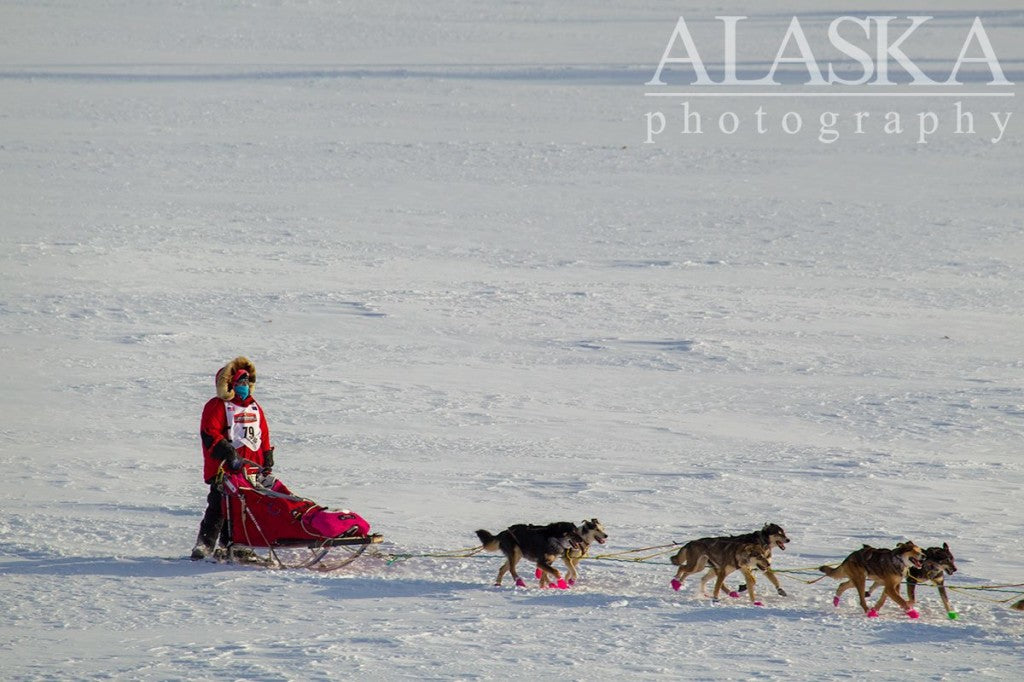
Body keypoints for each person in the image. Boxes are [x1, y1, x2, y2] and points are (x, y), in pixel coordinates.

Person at [191, 356, 275, 559]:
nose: (244, 387)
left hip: (249, 468)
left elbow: (262, 434)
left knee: (243, 509)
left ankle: (234, 543)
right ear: (229, 385)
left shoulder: (254, 407)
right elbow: (210, 433)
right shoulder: (217, 405)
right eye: (240, 383)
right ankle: (204, 545)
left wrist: (267, 458)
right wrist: (228, 453)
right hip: (225, 468)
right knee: (219, 506)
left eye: (246, 383)